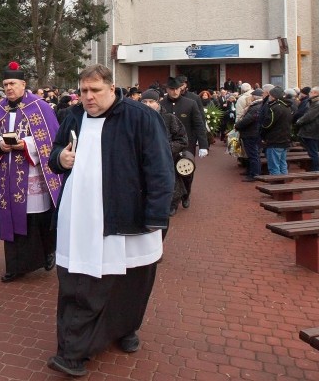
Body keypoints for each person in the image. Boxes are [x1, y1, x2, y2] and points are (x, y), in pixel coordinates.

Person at [47, 64, 172, 377]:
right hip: (81, 218)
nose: (88, 97)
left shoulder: (141, 117)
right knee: (82, 283)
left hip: (129, 215)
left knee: (133, 280)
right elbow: (56, 152)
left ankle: (125, 328)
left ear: (112, 88)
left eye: (95, 91)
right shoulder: (73, 115)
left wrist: (157, 216)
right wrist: (60, 158)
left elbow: (159, 168)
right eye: (84, 91)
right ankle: (72, 351)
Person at [0, 61, 62, 283]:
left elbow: (50, 139)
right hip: (7, 174)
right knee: (10, 216)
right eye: (5, 84)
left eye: (13, 83)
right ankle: (15, 265)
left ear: (23, 84)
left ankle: (48, 252)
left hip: (33, 173)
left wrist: (25, 144)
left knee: (37, 218)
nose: (8, 88)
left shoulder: (40, 106)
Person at [160, 77, 207, 212]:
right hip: (168, 145)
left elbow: (199, 124)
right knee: (172, 173)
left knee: (186, 172)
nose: (174, 92)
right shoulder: (162, 104)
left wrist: (203, 145)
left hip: (187, 144)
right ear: (167, 89)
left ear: (181, 88)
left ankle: (186, 194)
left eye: (177, 89)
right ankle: (173, 203)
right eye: (171, 89)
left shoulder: (190, 104)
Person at [141, 89, 188, 222]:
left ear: (158, 102)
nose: (148, 105)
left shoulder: (169, 119)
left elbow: (182, 140)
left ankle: (173, 203)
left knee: (170, 182)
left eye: (151, 101)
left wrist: (165, 149)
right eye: (144, 102)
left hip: (166, 159)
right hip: (144, 160)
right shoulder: (137, 118)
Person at [260, 86, 292, 175]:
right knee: (282, 164)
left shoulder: (275, 108)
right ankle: (283, 183)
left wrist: (262, 132)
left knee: (274, 166)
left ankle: (276, 185)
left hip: (275, 139)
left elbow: (268, 124)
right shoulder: (286, 107)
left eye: (270, 95)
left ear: (273, 96)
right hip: (284, 138)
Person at [294, 87, 319, 172]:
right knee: (312, 151)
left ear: (315, 93)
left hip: (312, 130)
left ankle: (315, 171)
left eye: (311, 92)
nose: (309, 93)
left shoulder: (318, 103)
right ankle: (314, 170)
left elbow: (309, 116)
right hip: (312, 130)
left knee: (313, 152)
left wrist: (299, 121)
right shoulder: (315, 102)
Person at [236, 89, 265, 181]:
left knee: (253, 154)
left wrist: (237, 125)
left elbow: (248, 120)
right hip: (252, 132)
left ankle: (254, 174)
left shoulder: (256, 107)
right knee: (251, 154)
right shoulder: (259, 106)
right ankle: (250, 170)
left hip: (251, 133)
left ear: (254, 97)